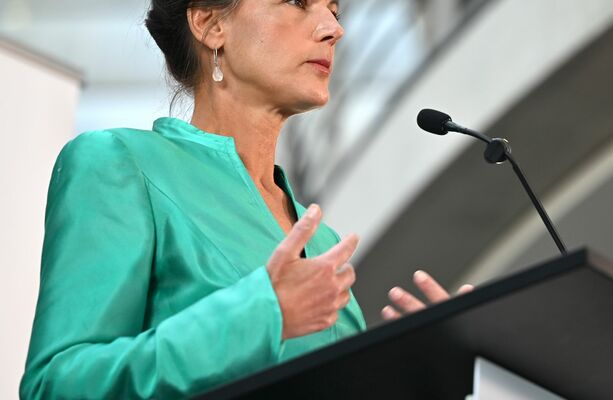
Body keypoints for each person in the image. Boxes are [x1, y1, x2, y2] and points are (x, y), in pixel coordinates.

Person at [20, 0, 472, 398]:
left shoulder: (321, 239)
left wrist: (424, 368)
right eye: (297, 1)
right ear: (210, 24)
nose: (334, 28)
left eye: (334, 8)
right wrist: (260, 315)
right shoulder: (120, 163)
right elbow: (57, 386)